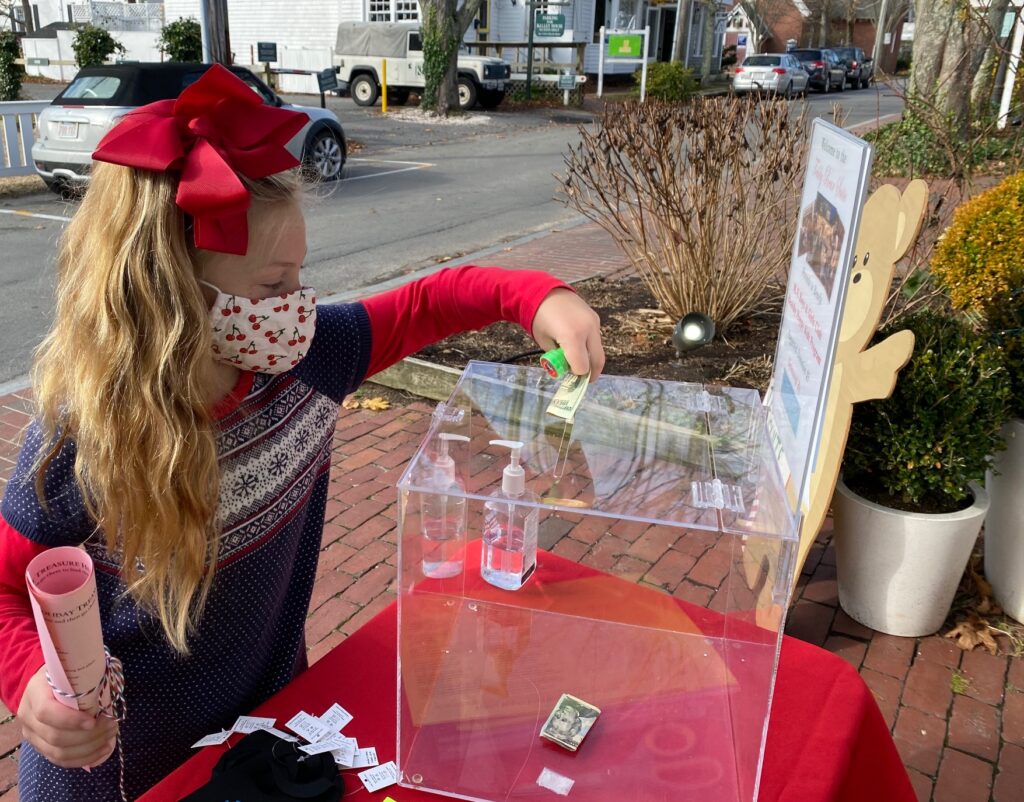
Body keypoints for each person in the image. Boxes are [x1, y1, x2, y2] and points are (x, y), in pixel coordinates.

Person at [0, 65, 604, 801]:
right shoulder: (80, 446)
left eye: (301, 275)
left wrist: (538, 297)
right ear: (175, 299)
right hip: (113, 774)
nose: (300, 304)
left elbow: (428, 302)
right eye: (274, 287)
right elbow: (2, 589)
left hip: (266, 738)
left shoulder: (309, 359)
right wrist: (29, 680)